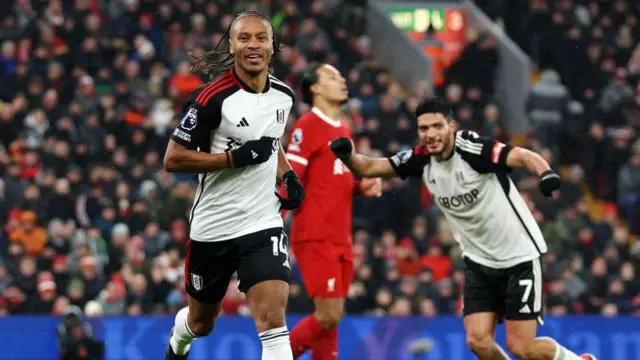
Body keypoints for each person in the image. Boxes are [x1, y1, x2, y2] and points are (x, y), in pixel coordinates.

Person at [328, 97, 597, 360]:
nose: (431, 134)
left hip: (518, 257)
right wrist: (347, 154)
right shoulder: (421, 159)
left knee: (522, 347)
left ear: (451, 126)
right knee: (478, 342)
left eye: (437, 126)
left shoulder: (471, 149)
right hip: (479, 262)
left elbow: (523, 155)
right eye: (424, 128)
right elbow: (371, 167)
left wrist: (546, 173)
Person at [163, 11, 305, 360]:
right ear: (232, 45)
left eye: (261, 37)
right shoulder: (211, 98)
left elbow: (270, 141)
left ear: (273, 46)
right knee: (201, 323)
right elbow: (173, 159)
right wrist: (232, 159)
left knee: (273, 321)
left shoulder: (284, 96)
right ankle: (178, 342)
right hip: (214, 226)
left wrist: (285, 174)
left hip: (262, 222)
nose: (253, 44)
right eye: (244, 38)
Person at [283, 63, 382, 360]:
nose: (342, 80)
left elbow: (331, 179)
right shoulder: (306, 126)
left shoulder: (343, 128)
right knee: (329, 314)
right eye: (332, 76)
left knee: (331, 320)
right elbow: (289, 181)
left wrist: (359, 187)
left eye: (341, 75)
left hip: (341, 237)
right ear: (314, 88)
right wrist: (273, 225)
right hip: (315, 235)